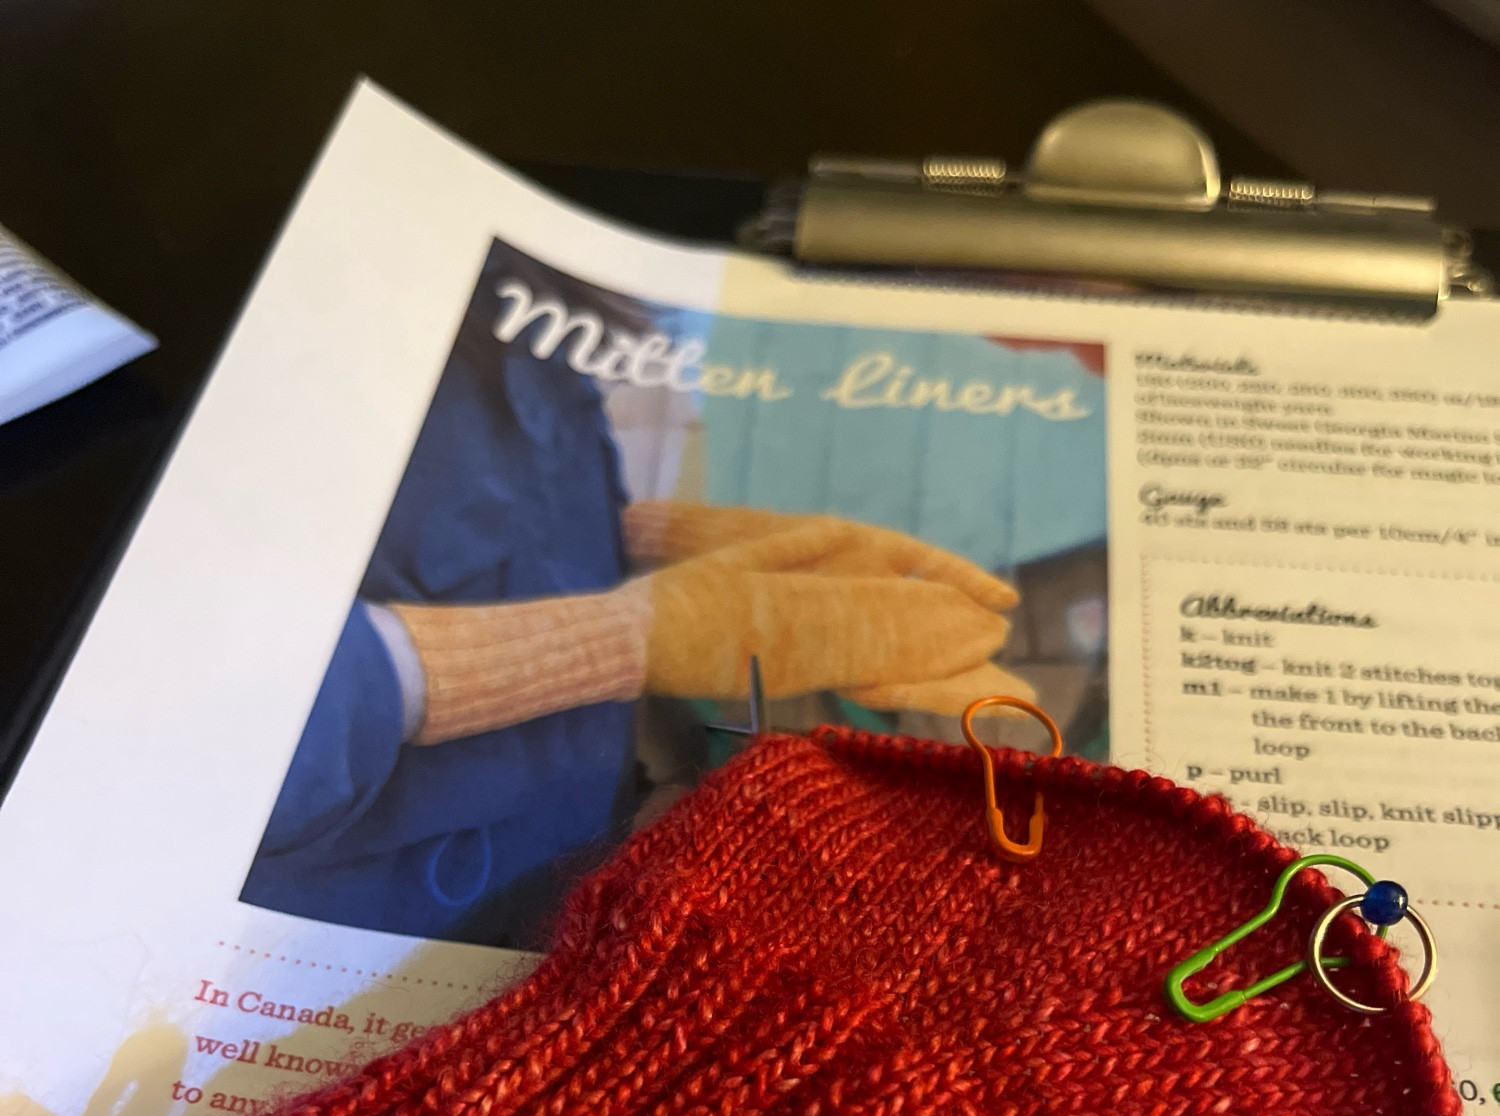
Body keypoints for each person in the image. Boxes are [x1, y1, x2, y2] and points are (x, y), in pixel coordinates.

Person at [243, 246, 1027, 950]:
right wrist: (623, 637)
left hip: (555, 867)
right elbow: (240, 726)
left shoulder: (516, 300)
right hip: (381, 933)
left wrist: (675, 541)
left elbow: (457, 505)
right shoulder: (313, 316)